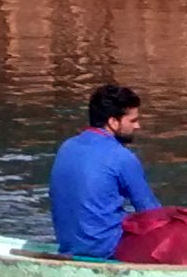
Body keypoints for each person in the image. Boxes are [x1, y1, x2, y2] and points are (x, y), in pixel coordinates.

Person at [49, 83, 159, 260]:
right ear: (113, 122)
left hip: (69, 246)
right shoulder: (122, 157)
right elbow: (152, 213)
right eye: (132, 120)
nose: (137, 126)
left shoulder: (67, 146)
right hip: (106, 250)